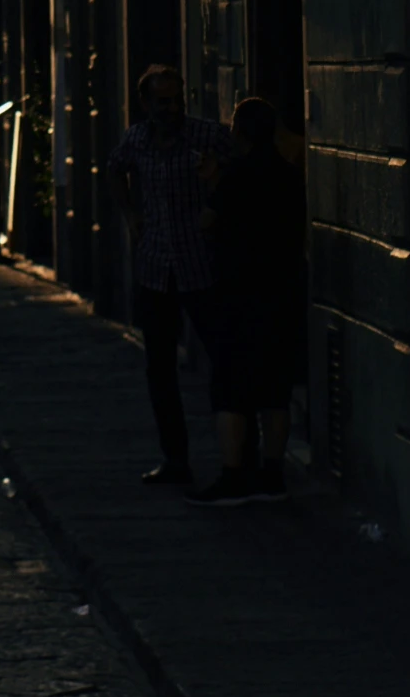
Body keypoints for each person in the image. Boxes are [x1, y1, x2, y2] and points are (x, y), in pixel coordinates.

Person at [108, 64, 228, 488]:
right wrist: (131, 215)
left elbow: (238, 170)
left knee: (224, 360)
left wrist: (217, 202)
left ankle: (239, 454)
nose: (173, 108)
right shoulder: (137, 140)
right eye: (163, 101)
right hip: (156, 266)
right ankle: (175, 459)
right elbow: (115, 168)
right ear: (147, 104)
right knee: (159, 369)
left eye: (177, 99)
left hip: (200, 266)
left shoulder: (206, 135)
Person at [188, 94, 304, 505]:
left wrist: (211, 183)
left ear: (240, 132)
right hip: (283, 293)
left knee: (231, 388)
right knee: (275, 387)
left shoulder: (236, 176)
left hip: (238, 294)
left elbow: (208, 221)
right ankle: (272, 475)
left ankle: (234, 475)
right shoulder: (290, 176)